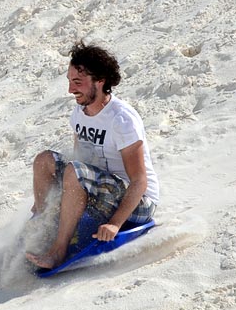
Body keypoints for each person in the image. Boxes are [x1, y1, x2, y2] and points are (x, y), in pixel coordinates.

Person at [26, 41, 160, 270]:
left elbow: (139, 181)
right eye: (69, 81)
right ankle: (44, 228)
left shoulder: (121, 120)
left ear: (100, 80)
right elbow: (81, 160)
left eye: (77, 82)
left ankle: (58, 251)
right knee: (44, 160)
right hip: (99, 189)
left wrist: (115, 224)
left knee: (75, 171)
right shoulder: (80, 112)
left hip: (137, 202)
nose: (70, 89)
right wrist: (48, 200)